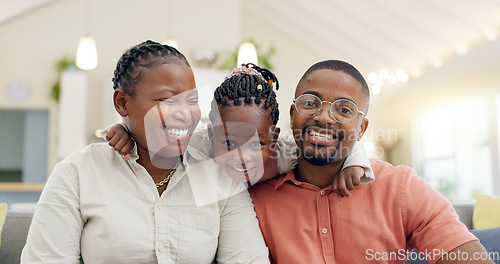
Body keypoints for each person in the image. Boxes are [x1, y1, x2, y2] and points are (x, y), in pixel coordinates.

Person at [21, 40, 269, 263]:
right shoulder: (77, 173)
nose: (185, 113)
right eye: (167, 100)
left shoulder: (221, 177)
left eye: (192, 101)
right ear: (122, 103)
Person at [248, 60, 493, 264]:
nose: (323, 117)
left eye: (344, 110)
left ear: (361, 128)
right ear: (293, 114)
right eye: (310, 103)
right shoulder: (254, 199)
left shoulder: (400, 188)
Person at [105, 63, 375, 199]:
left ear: (273, 138)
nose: (243, 156)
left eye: (257, 145)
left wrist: (354, 163)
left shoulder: (281, 153)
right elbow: (158, 136)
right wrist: (125, 130)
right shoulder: (197, 145)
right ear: (212, 136)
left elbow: (334, 142)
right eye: (229, 142)